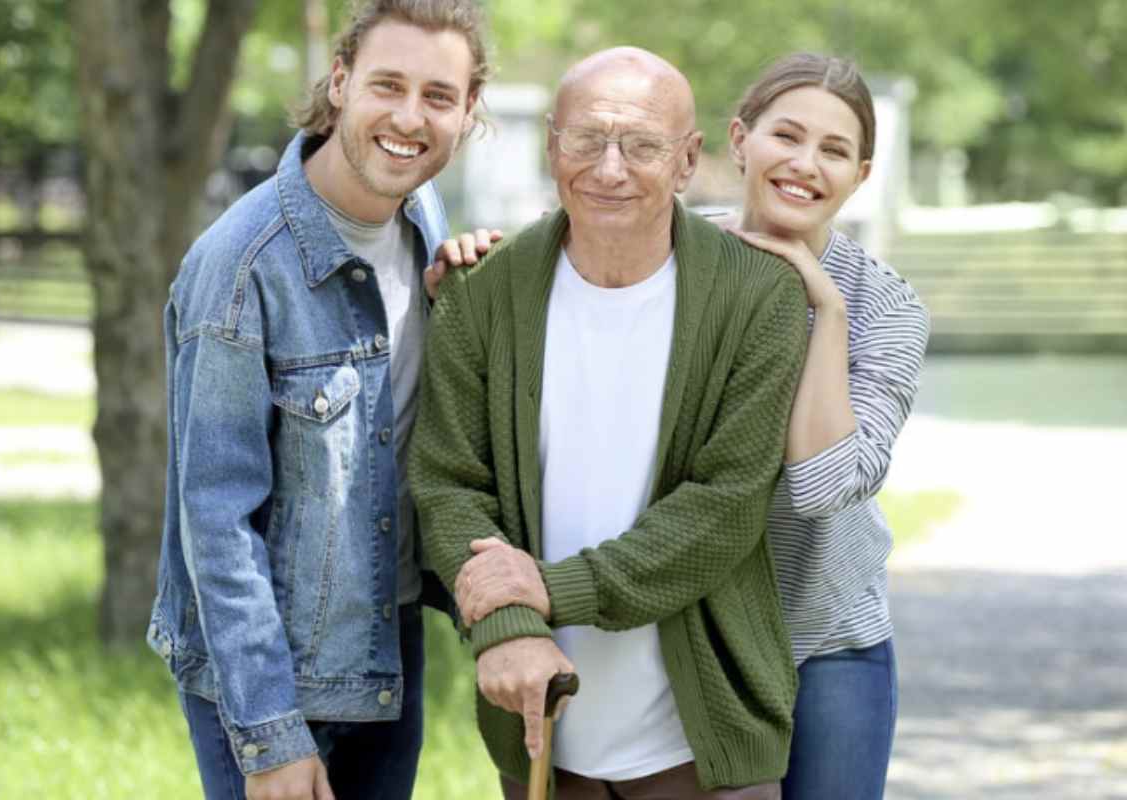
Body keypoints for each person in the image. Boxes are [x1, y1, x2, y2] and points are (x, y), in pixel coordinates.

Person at [410, 47, 810, 799]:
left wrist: (544, 589)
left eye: (643, 144)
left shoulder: (761, 298)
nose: (610, 168)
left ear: (688, 160)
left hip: (703, 739)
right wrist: (507, 625)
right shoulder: (479, 292)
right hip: (539, 730)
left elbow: (725, 506)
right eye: (587, 139)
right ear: (552, 145)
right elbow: (447, 481)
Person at [144, 2, 493, 798]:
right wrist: (269, 735)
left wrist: (464, 294)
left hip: (383, 638)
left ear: (469, 112)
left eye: (439, 96)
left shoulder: (422, 215)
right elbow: (216, 522)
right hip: (272, 666)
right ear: (339, 83)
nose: (410, 118)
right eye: (387, 85)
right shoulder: (242, 268)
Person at [718, 53, 930, 800]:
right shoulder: (669, 258)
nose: (805, 165)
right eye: (787, 135)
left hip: (829, 639)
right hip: (694, 635)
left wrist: (826, 306)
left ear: (861, 175)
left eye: (834, 150)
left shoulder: (888, 310)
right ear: (740, 138)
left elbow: (822, 483)